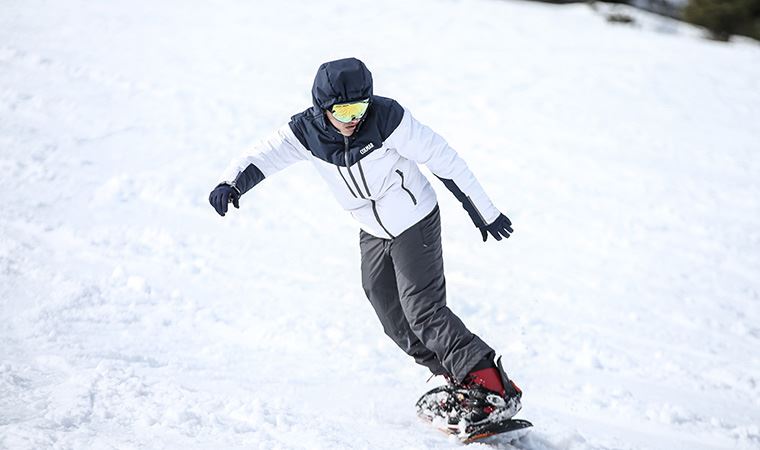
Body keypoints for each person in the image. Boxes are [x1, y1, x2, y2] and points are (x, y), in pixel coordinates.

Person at [208, 57, 522, 425]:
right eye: (344, 109)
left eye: (360, 106)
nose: (354, 117)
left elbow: (443, 158)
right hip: (371, 230)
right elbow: (263, 154)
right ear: (323, 108)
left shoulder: (387, 119)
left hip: (413, 220)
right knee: (388, 309)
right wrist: (231, 182)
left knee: (423, 309)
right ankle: (458, 380)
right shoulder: (306, 132)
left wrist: (483, 210)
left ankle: (492, 385)